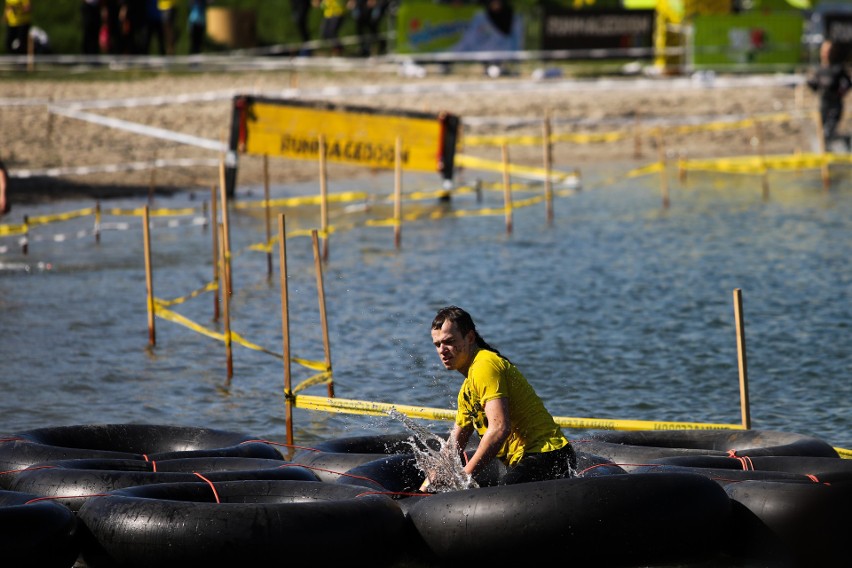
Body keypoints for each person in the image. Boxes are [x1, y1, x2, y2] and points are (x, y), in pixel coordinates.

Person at [423, 306, 575, 489]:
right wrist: (425, 489)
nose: (442, 350)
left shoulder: (485, 365)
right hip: (526, 461)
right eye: (437, 344)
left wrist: (462, 479)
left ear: (470, 338)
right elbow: (454, 445)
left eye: (449, 341)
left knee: (501, 496)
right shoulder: (467, 389)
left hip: (550, 456)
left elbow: (499, 429)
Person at [807, 39, 852, 151]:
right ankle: (827, 158)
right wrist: (810, 83)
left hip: (835, 105)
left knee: (828, 132)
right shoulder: (820, 69)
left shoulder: (838, 68)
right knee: (822, 135)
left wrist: (840, 92)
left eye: (828, 50)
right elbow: (816, 87)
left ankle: (847, 141)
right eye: (824, 50)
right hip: (823, 105)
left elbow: (848, 83)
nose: (825, 53)